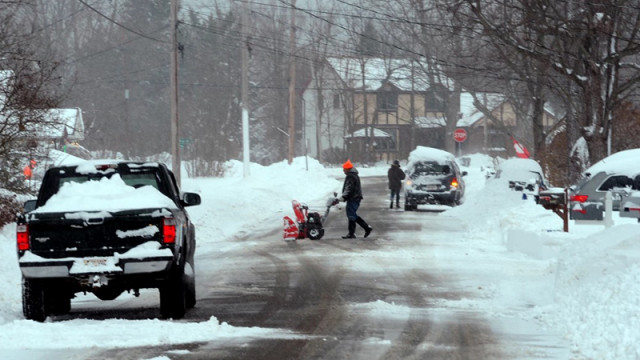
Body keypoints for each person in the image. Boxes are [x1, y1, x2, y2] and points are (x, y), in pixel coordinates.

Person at [335, 159, 373, 239]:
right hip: (354, 198)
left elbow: (349, 189)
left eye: (344, 169)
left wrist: (343, 197)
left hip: (353, 198)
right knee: (351, 215)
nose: (343, 171)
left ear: (348, 169)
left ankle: (366, 228)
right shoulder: (354, 175)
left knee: (351, 215)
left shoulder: (350, 176)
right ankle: (351, 233)